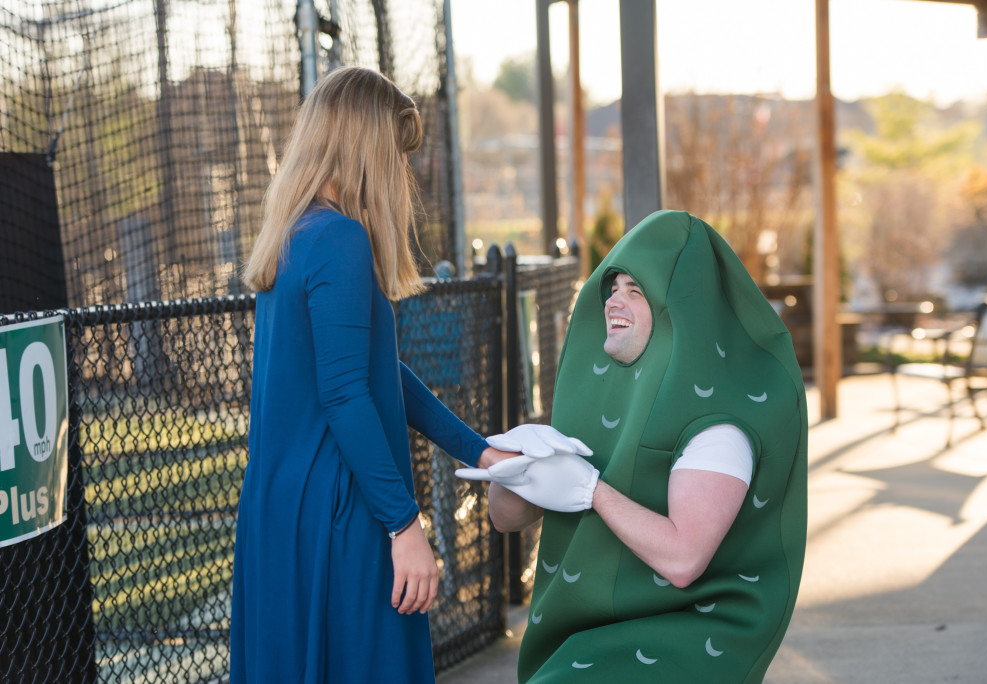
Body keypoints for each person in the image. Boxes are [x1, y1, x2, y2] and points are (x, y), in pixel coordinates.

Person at [230, 66, 514, 683]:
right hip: (340, 505)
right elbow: (345, 395)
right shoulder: (339, 239)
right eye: (396, 153)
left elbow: (375, 373)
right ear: (365, 147)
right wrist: (403, 525)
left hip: (280, 507)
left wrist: (477, 450)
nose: (401, 173)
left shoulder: (293, 234)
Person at [458, 210, 808, 683]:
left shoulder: (719, 428)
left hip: (681, 638)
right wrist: (517, 474)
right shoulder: (605, 402)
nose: (613, 302)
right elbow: (507, 520)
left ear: (682, 307)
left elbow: (684, 560)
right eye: (613, 287)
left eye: (637, 291)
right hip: (583, 635)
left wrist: (591, 489)